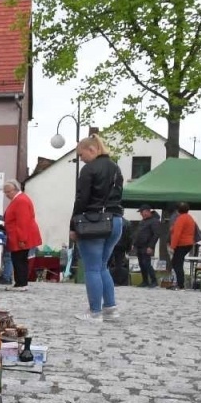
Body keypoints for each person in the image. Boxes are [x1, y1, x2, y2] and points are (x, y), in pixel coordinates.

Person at [71, 134, 124, 322]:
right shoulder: (116, 168)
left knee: (92, 268)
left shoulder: (89, 169)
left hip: (94, 222)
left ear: (92, 150)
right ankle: (111, 308)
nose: (81, 158)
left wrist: (73, 225)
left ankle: (95, 312)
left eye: (81, 154)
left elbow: (81, 199)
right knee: (103, 266)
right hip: (116, 220)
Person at [2, 180, 41, 289]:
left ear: (15, 189)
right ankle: (19, 282)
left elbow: (22, 221)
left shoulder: (21, 201)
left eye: (8, 192)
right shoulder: (19, 199)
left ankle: (22, 283)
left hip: (21, 235)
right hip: (17, 235)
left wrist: (22, 239)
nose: (6, 195)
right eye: (5, 192)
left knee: (20, 259)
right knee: (17, 259)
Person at [132, 207, 162, 289]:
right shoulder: (143, 221)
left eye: (142, 212)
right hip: (140, 245)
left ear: (147, 212)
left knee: (147, 263)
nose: (141, 214)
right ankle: (145, 281)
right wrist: (134, 244)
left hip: (147, 245)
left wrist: (151, 246)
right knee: (141, 264)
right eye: (141, 213)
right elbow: (138, 233)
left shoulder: (154, 221)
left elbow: (156, 234)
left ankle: (154, 281)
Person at [169, 202, 197, 289]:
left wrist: (172, 246)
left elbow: (177, 233)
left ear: (178, 210)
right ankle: (179, 283)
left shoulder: (180, 218)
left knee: (177, 263)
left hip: (182, 244)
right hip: (188, 243)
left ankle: (180, 284)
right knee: (177, 262)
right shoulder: (189, 218)